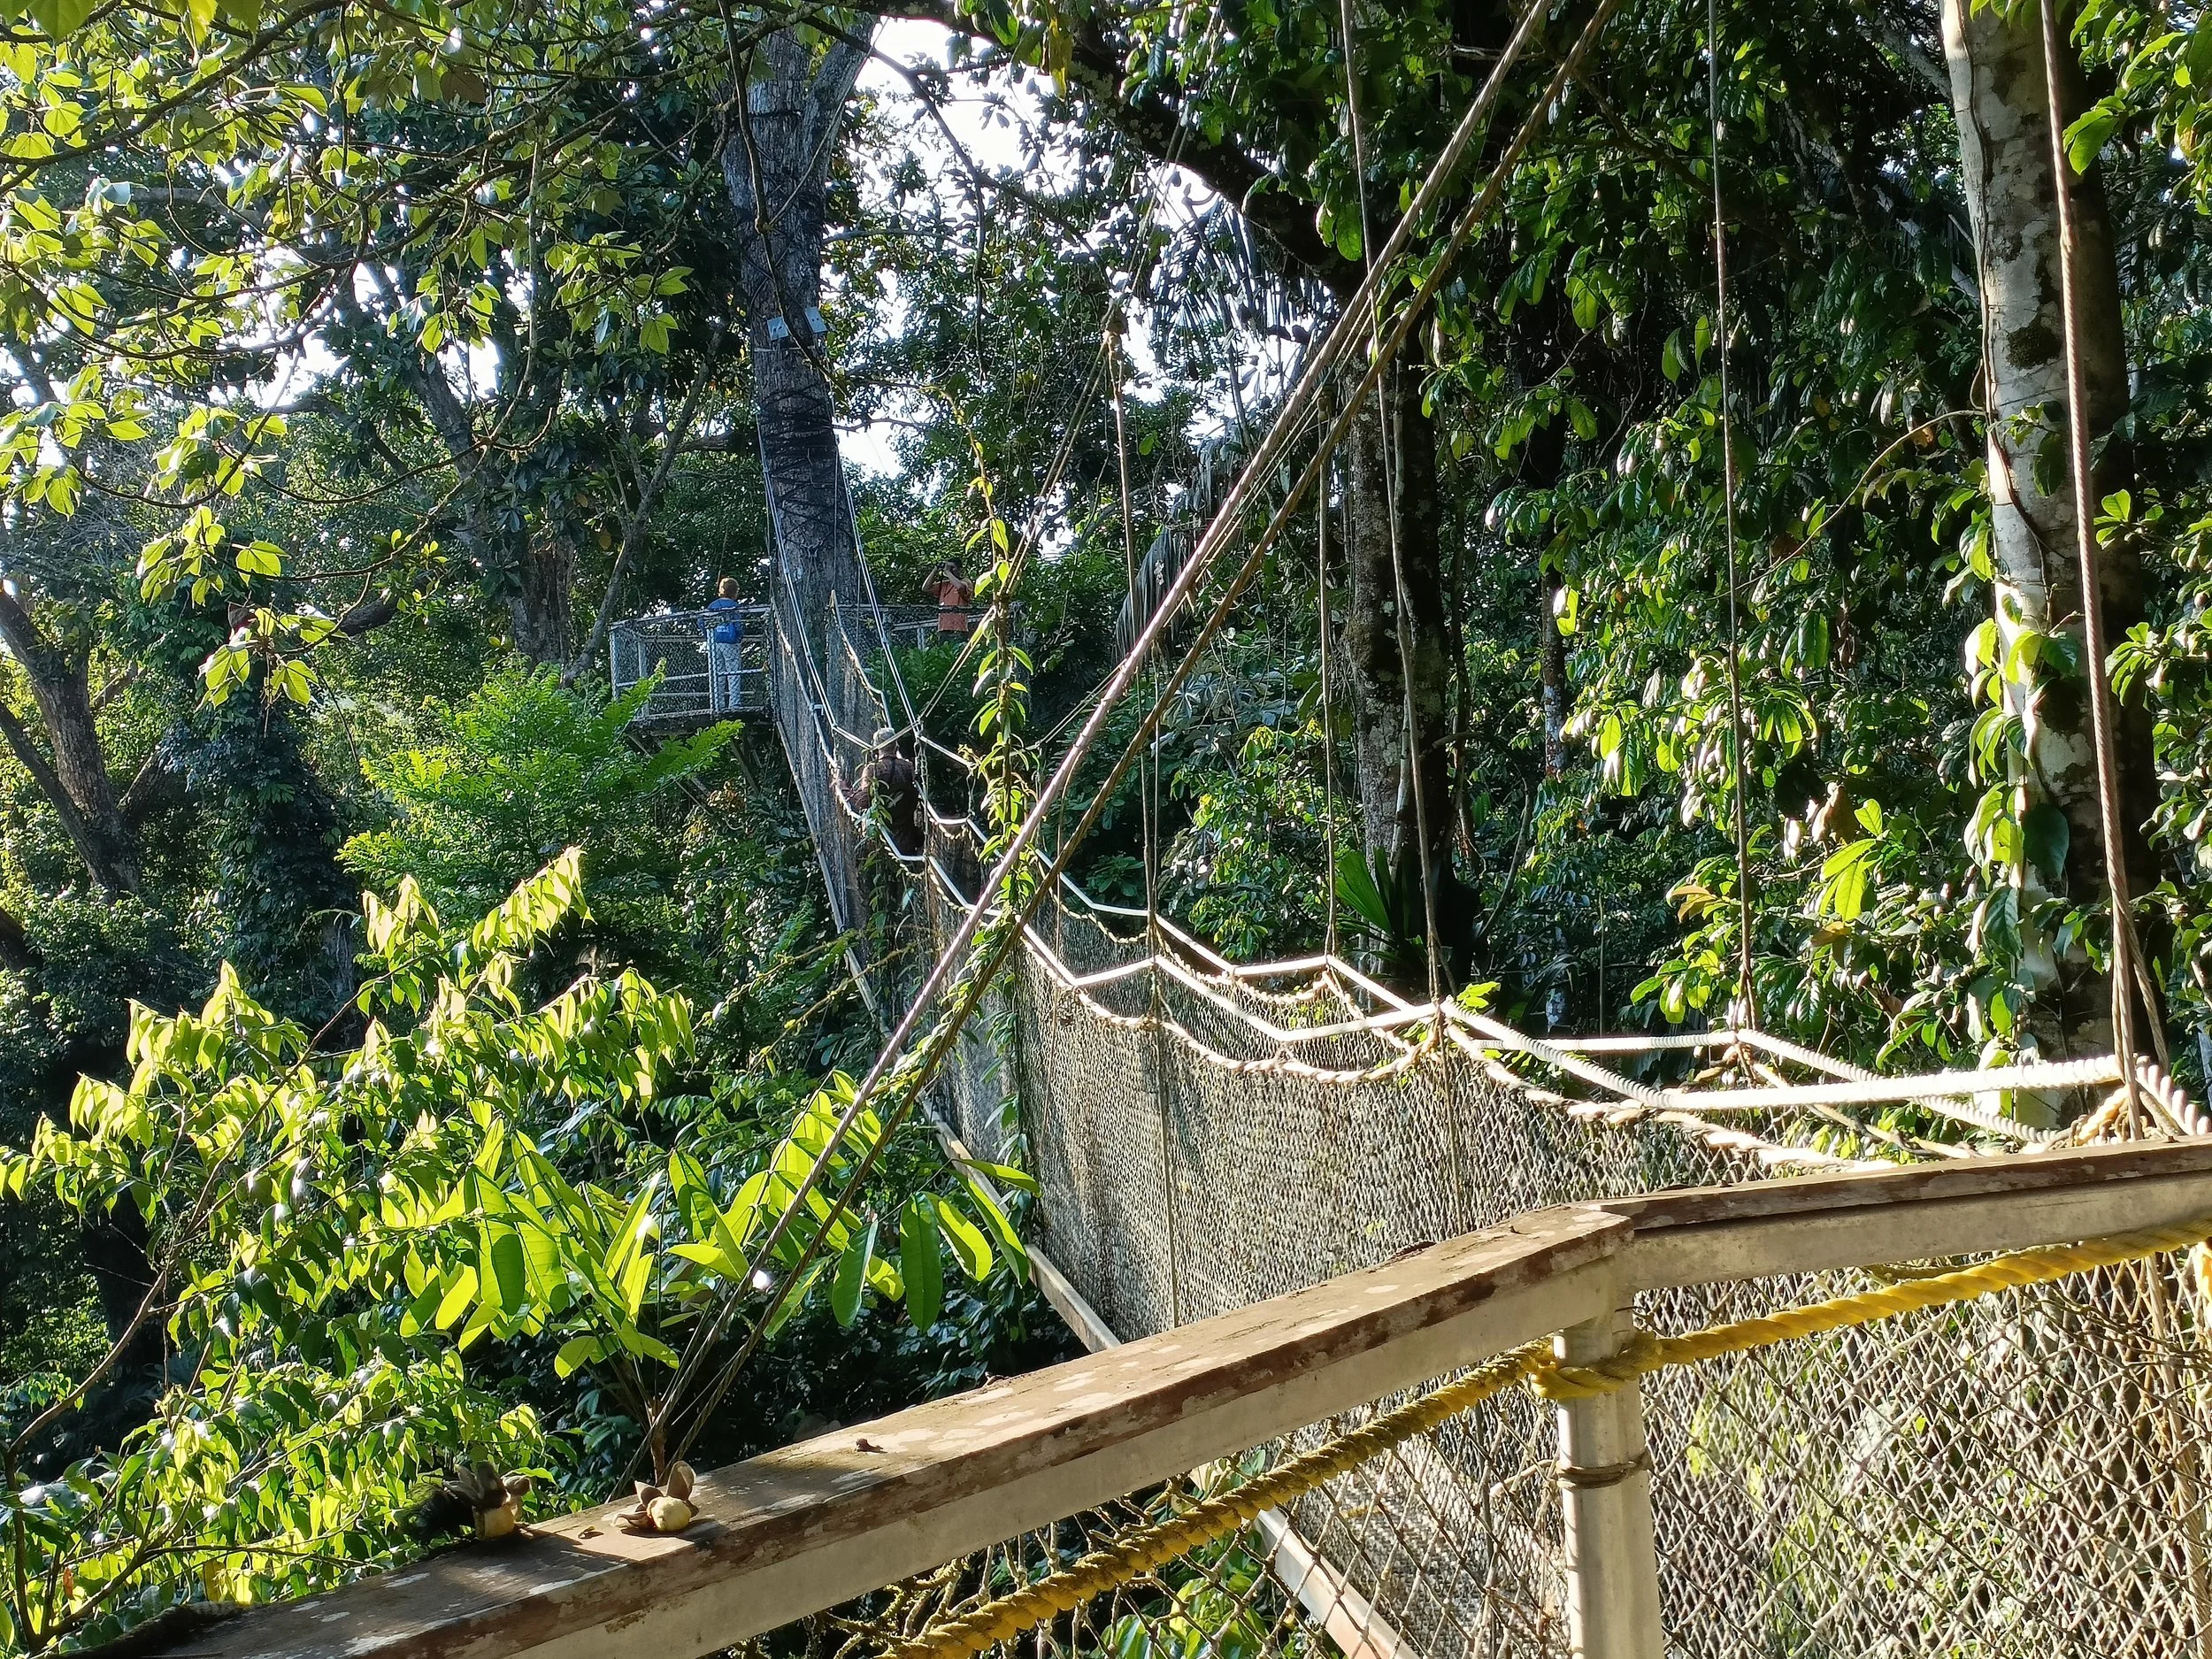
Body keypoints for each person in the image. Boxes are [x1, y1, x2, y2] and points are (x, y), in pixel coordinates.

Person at [843, 727, 921, 856]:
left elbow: (863, 802)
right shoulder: (908, 767)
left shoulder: (873, 769)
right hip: (907, 840)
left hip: (883, 841)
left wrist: (844, 790)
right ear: (896, 746)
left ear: (877, 748)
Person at [705, 577, 743, 712]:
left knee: (717, 674)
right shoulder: (734, 606)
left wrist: (708, 636)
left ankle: (718, 704)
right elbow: (738, 625)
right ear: (735, 592)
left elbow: (702, 621)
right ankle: (734, 704)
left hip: (714, 643)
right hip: (730, 642)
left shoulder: (713, 606)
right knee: (733, 673)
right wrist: (739, 637)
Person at [922, 559, 973, 641]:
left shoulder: (965, 582)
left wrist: (947, 571)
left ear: (960, 569)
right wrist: (934, 571)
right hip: (943, 628)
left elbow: (960, 587)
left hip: (959, 628)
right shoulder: (944, 584)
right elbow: (925, 588)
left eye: (952, 567)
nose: (950, 570)